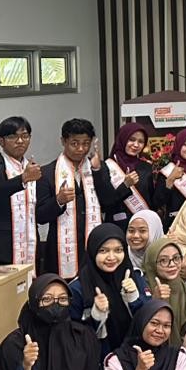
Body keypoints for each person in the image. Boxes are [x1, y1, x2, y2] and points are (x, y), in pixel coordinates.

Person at [0, 273, 104, 370]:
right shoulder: (15, 344)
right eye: (47, 299)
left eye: (62, 299)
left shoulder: (84, 337)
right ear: (34, 302)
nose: (56, 304)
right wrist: (25, 367)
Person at [36, 118, 116, 279]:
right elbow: (40, 216)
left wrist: (98, 171)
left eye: (86, 143)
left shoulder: (98, 167)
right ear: (63, 141)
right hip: (60, 250)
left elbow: (109, 202)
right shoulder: (47, 172)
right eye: (74, 143)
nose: (81, 149)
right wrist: (58, 201)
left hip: (94, 243)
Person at [68, 223, 150, 355]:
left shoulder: (134, 277)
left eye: (118, 250)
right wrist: (96, 314)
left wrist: (134, 298)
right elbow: (72, 335)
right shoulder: (78, 288)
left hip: (136, 355)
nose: (111, 257)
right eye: (103, 251)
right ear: (93, 251)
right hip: (97, 358)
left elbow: (149, 320)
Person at [0, 116, 41, 266]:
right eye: (13, 136)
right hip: (2, 248)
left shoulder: (33, 168)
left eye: (25, 136)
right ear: (1, 141)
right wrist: (22, 179)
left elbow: (39, 210)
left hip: (31, 244)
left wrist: (59, 201)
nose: (20, 141)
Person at [142, 239, 186, 347]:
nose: (172, 264)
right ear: (152, 263)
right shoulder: (142, 288)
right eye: (163, 260)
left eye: (176, 258)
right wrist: (154, 302)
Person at [103, 122, 155, 226]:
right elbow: (105, 204)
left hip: (142, 225)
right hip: (117, 227)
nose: (136, 145)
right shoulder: (107, 166)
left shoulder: (146, 167)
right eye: (131, 139)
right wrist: (125, 185)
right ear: (123, 138)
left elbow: (152, 201)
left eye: (141, 141)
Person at [153, 127, 186, 224]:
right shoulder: (168, 170)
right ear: (178, 145)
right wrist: (170, 179)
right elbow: (157, 202)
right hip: (175, 224)